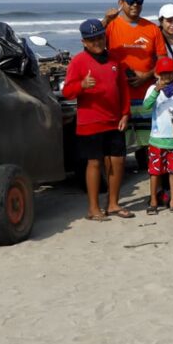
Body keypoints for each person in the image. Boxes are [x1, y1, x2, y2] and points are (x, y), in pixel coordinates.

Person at [61, 18, 132, 221]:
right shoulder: (78, 61)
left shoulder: (115, 60)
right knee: (94, 163)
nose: (97, 42)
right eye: (92, 39)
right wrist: (82, 85)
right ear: (84, 41)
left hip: (114, 120)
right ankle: (93, 208)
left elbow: (123, 89)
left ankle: (113, 204)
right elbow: (67, 92)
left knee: (117, 162)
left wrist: (126, 113)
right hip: (90, 122)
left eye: (100, 37)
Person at [103, 0, 167, 162]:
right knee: (118, 144)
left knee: (148, 143)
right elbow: (92, 44)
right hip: (119, 96)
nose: (135, 5)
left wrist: (146, 76)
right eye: (131, 1)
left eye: (139, 1)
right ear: (120, 2)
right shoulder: (110, 26)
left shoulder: (152, 29)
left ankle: (152, 180)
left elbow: (163, 61)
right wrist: (105, 20)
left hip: (145, 95)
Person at [142, 56, 173, 215]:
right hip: (157, 138)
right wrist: (156, 90)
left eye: (169, 73)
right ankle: (153, 202)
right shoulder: (152, 89)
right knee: (155, 172)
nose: (166, 77)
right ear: (157, 74)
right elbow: (146, 106)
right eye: (163, 73)